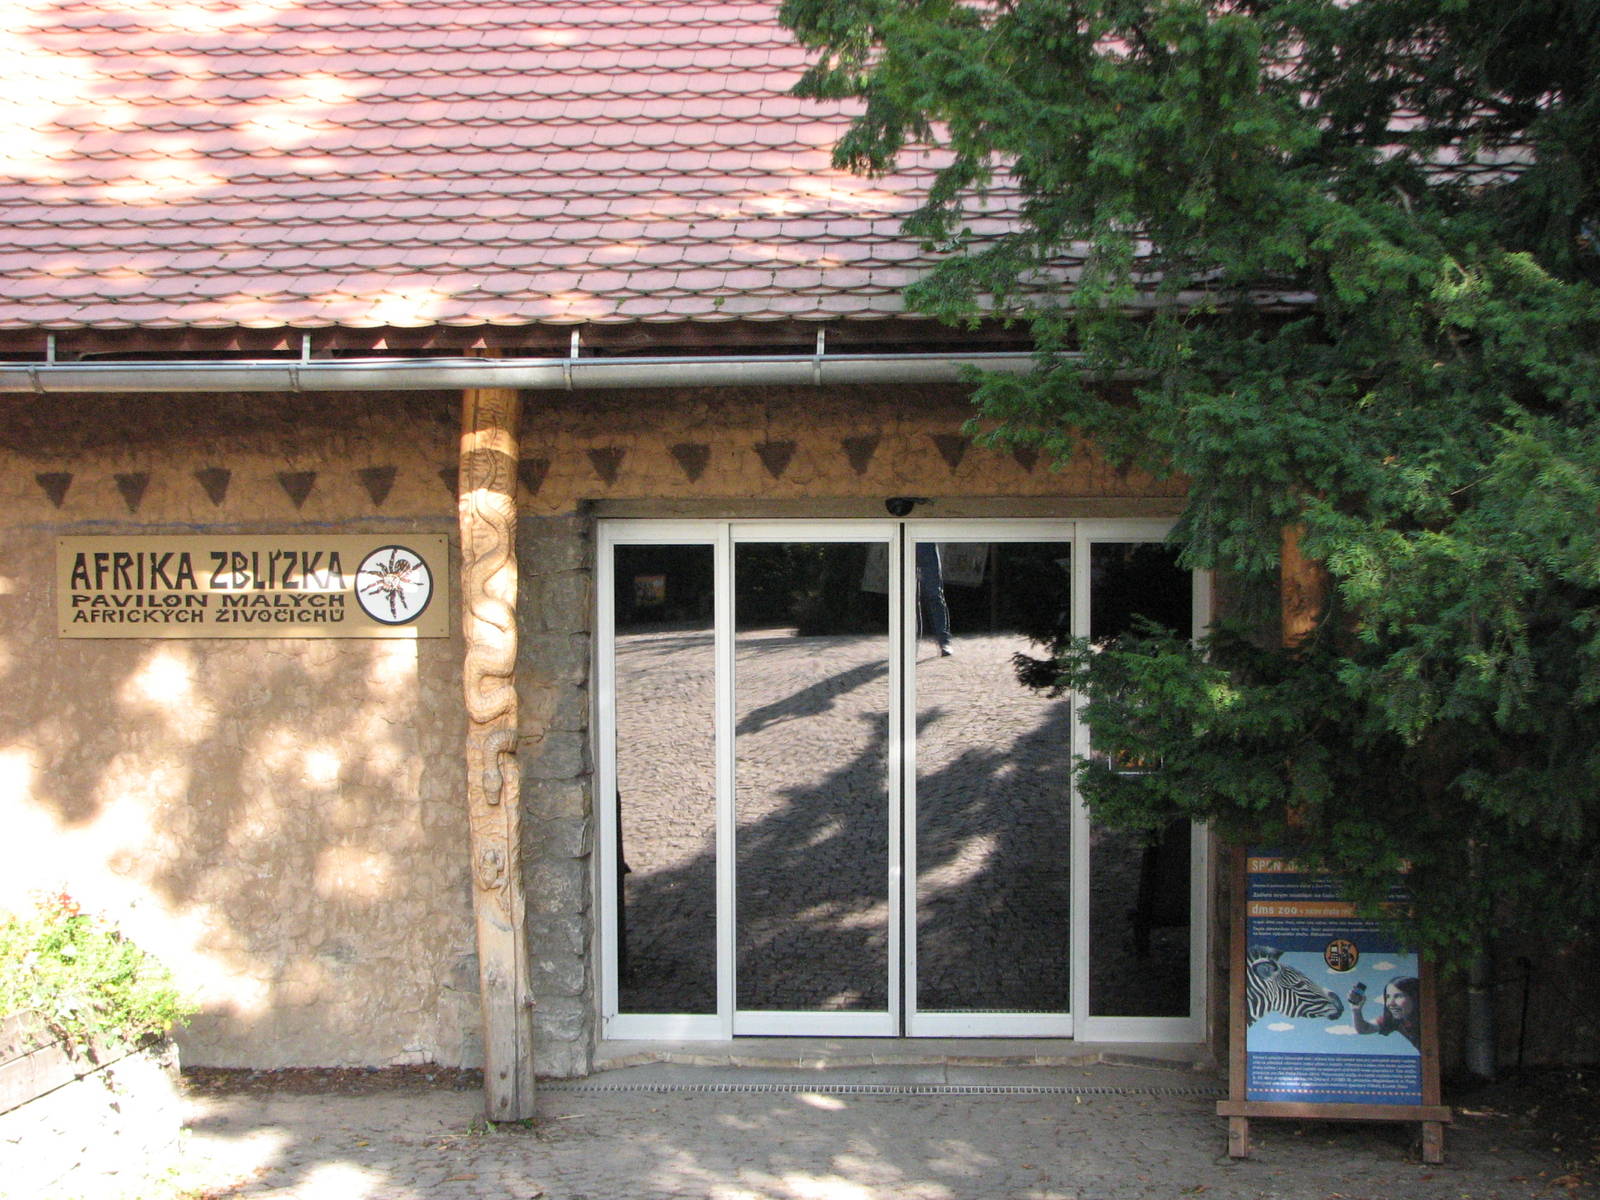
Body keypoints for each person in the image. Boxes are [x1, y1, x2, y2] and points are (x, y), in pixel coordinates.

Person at [1349, 976, 1421, 1049]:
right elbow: (1363, 1029)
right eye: (1388, 997)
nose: (1391, 1003)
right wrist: (1356, 1010)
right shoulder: (1395, 1019)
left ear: (1414, 996)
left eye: (1398, 996)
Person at [915, 541, 952, 655]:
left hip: (925, 543)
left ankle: (944, 641)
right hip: (903, 542)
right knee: (908, 598)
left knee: (934, 594)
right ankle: (910, 643)